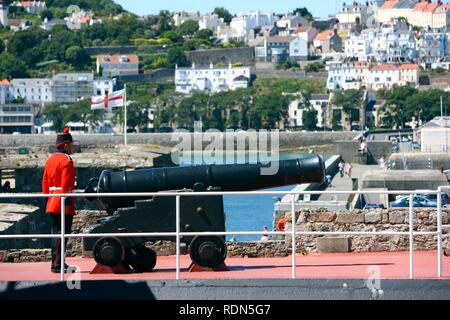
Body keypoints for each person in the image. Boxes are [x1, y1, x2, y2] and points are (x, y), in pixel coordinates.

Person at [42, 128, 77, 273]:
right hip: (62, 202)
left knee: (56, 233)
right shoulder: (66, 160)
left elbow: (45, 182)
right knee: (62, 233)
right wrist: (66, 201)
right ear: (66, 144)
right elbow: (66, 185)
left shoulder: (50, 159)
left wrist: (48, 198)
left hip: (51, 200)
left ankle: (58, 262)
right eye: (71, 144)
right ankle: (57, 265)